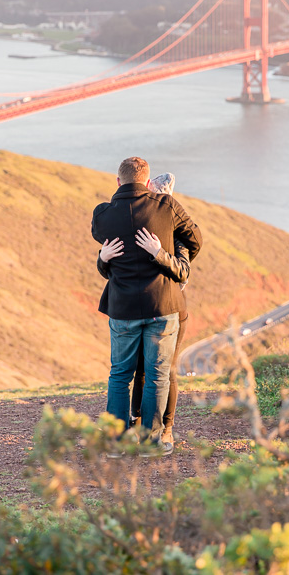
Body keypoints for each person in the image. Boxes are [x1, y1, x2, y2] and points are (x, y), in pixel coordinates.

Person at [91, 157, 202, 454]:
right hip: (162, 305)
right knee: (158, 374)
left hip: (123, 309)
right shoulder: (166, 206)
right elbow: (195, 239)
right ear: (147, 181)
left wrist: (104, 257)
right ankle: (154, 440)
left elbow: (104, 245)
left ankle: (116, 442)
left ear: (118, 181)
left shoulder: (103, 215)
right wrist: (169, 249)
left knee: (120, 375)